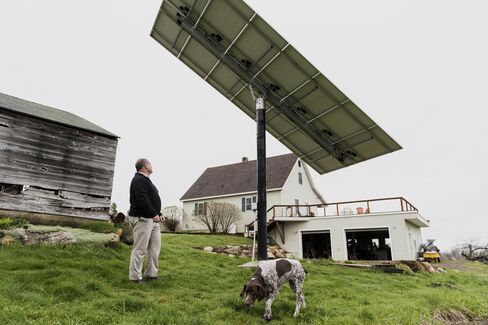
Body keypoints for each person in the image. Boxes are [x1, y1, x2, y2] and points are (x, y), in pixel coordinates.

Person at [128, 158, 163, 282]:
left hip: (153, 219)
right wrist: (153, 214)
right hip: (143, 218)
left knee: (154, 248)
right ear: (144, 166)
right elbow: (142, 199)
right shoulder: (138, 179)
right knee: (140, 248)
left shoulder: (146, 180)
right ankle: (135, 277)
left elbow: (151, 199)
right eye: (150, 164)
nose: (151, 166)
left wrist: (158, 213)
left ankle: (151, 274)